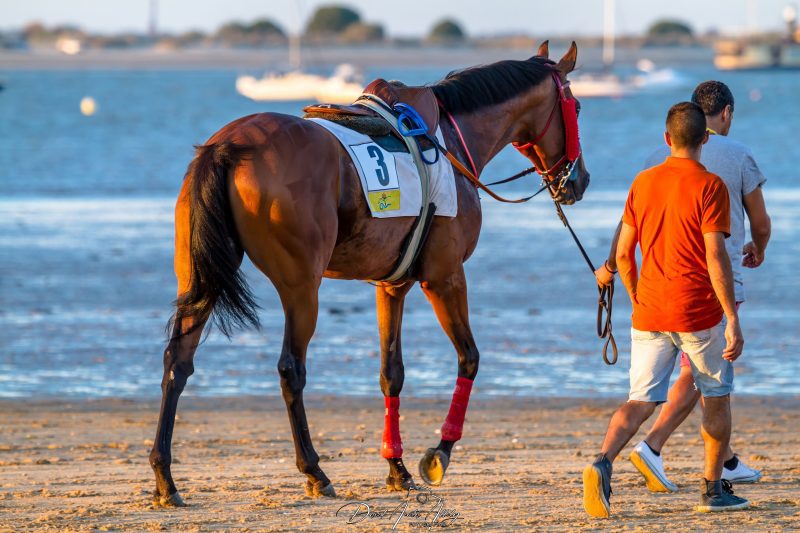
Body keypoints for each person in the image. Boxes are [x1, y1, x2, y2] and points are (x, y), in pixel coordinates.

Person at [595, 81, 771, 491]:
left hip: (651, 307)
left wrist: (632, 293)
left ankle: (602, 461)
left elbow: (624, 249)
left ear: (667, 137)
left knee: (639, 398)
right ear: (714, 126)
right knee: (714, 390)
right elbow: (720, 253)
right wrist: (732, 315)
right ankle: (707, 482)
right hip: (702, 302)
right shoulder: (716, 177)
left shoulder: (646, 173)